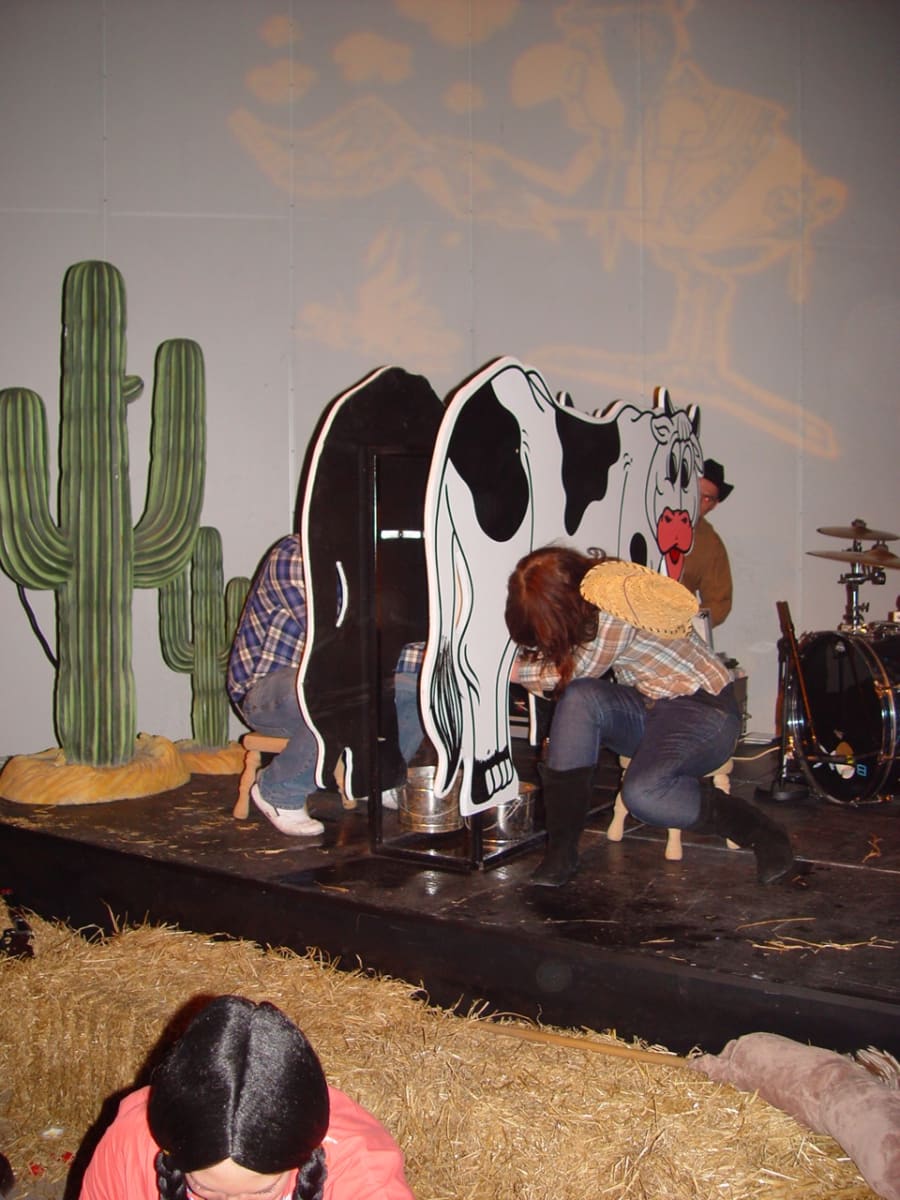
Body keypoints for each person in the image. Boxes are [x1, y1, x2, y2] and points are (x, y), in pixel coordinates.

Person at [506, 547, 794, 888]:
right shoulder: (595, 585)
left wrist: (507, 671)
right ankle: (561, 852)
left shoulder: (613, 606)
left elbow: (570, 672)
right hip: (653, 703)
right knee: (580, 699)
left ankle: (760, 831)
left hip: (706, 709)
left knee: (644, 794)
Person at [80, 994, 415, 1200]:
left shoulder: (365, 1181)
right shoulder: (132, 1142)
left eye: (262, 1193)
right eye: (205, 1190)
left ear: (306, 1158)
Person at [227, 534, 422, 836]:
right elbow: (334, 643)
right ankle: (279, 790)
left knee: (421, 691)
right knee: (343, 686)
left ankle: (375, 779)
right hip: (264, 692)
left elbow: (406, 650)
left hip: (338, 682)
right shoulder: (296, 554)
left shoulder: (385, 565)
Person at [681, 458, 733, 628]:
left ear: (714, 505)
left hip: (669, 632)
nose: (697, 500)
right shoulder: (646, 516)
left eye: (706, 498)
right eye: (695, 491)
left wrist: (687, 624)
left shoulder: (710, 544)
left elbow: (719, 603)